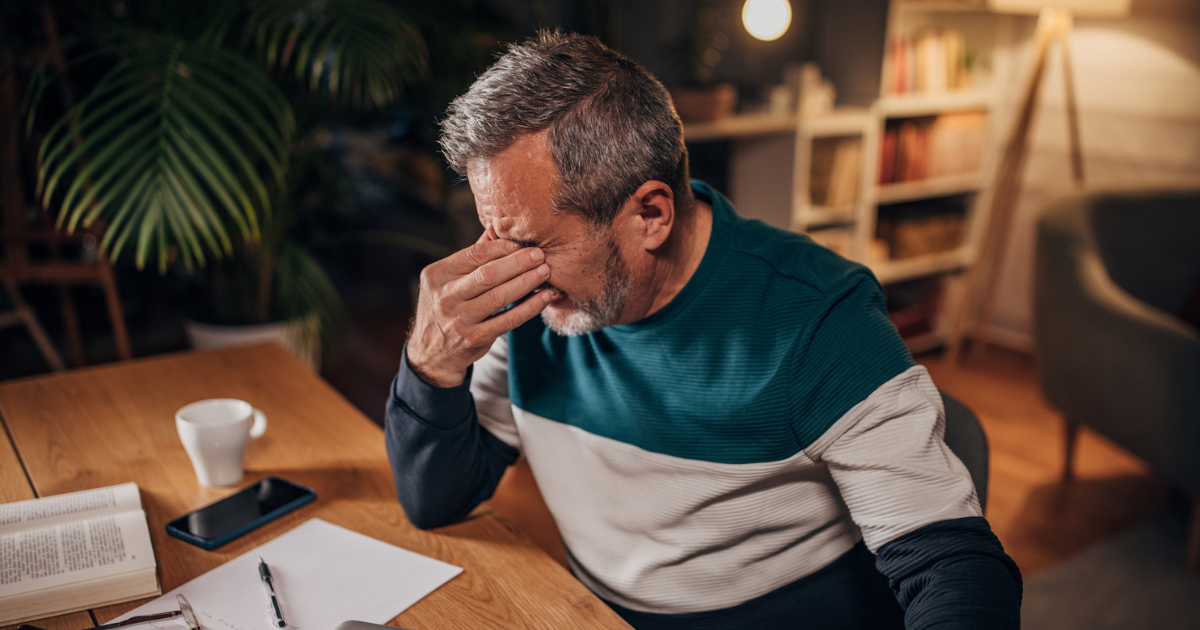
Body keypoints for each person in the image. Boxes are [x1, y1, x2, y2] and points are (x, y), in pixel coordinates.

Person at [385, 31, 1021, 630]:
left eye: (524, 240)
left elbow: (954, 568)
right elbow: (436, 502)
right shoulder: (532, 300)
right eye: (490, 231)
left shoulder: (819, 319)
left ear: (651, 213)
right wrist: (431, 362)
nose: (492, 265)